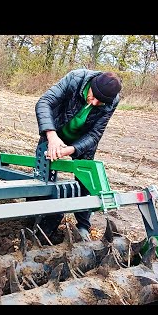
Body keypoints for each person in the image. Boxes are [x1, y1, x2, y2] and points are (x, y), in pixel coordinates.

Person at [34, 69, 122, 240]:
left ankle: (83, 226)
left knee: (84, 180)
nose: (95, 103)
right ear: (91, 85)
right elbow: (44, 102)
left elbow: (95, 134)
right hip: (55, 131)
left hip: (81, 140)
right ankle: (37, 220)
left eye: (101, 102)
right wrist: (51, 135)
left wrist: (73, 149)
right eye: (93, 96)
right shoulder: (75, 79)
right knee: (43, 175)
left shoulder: (111, 101)